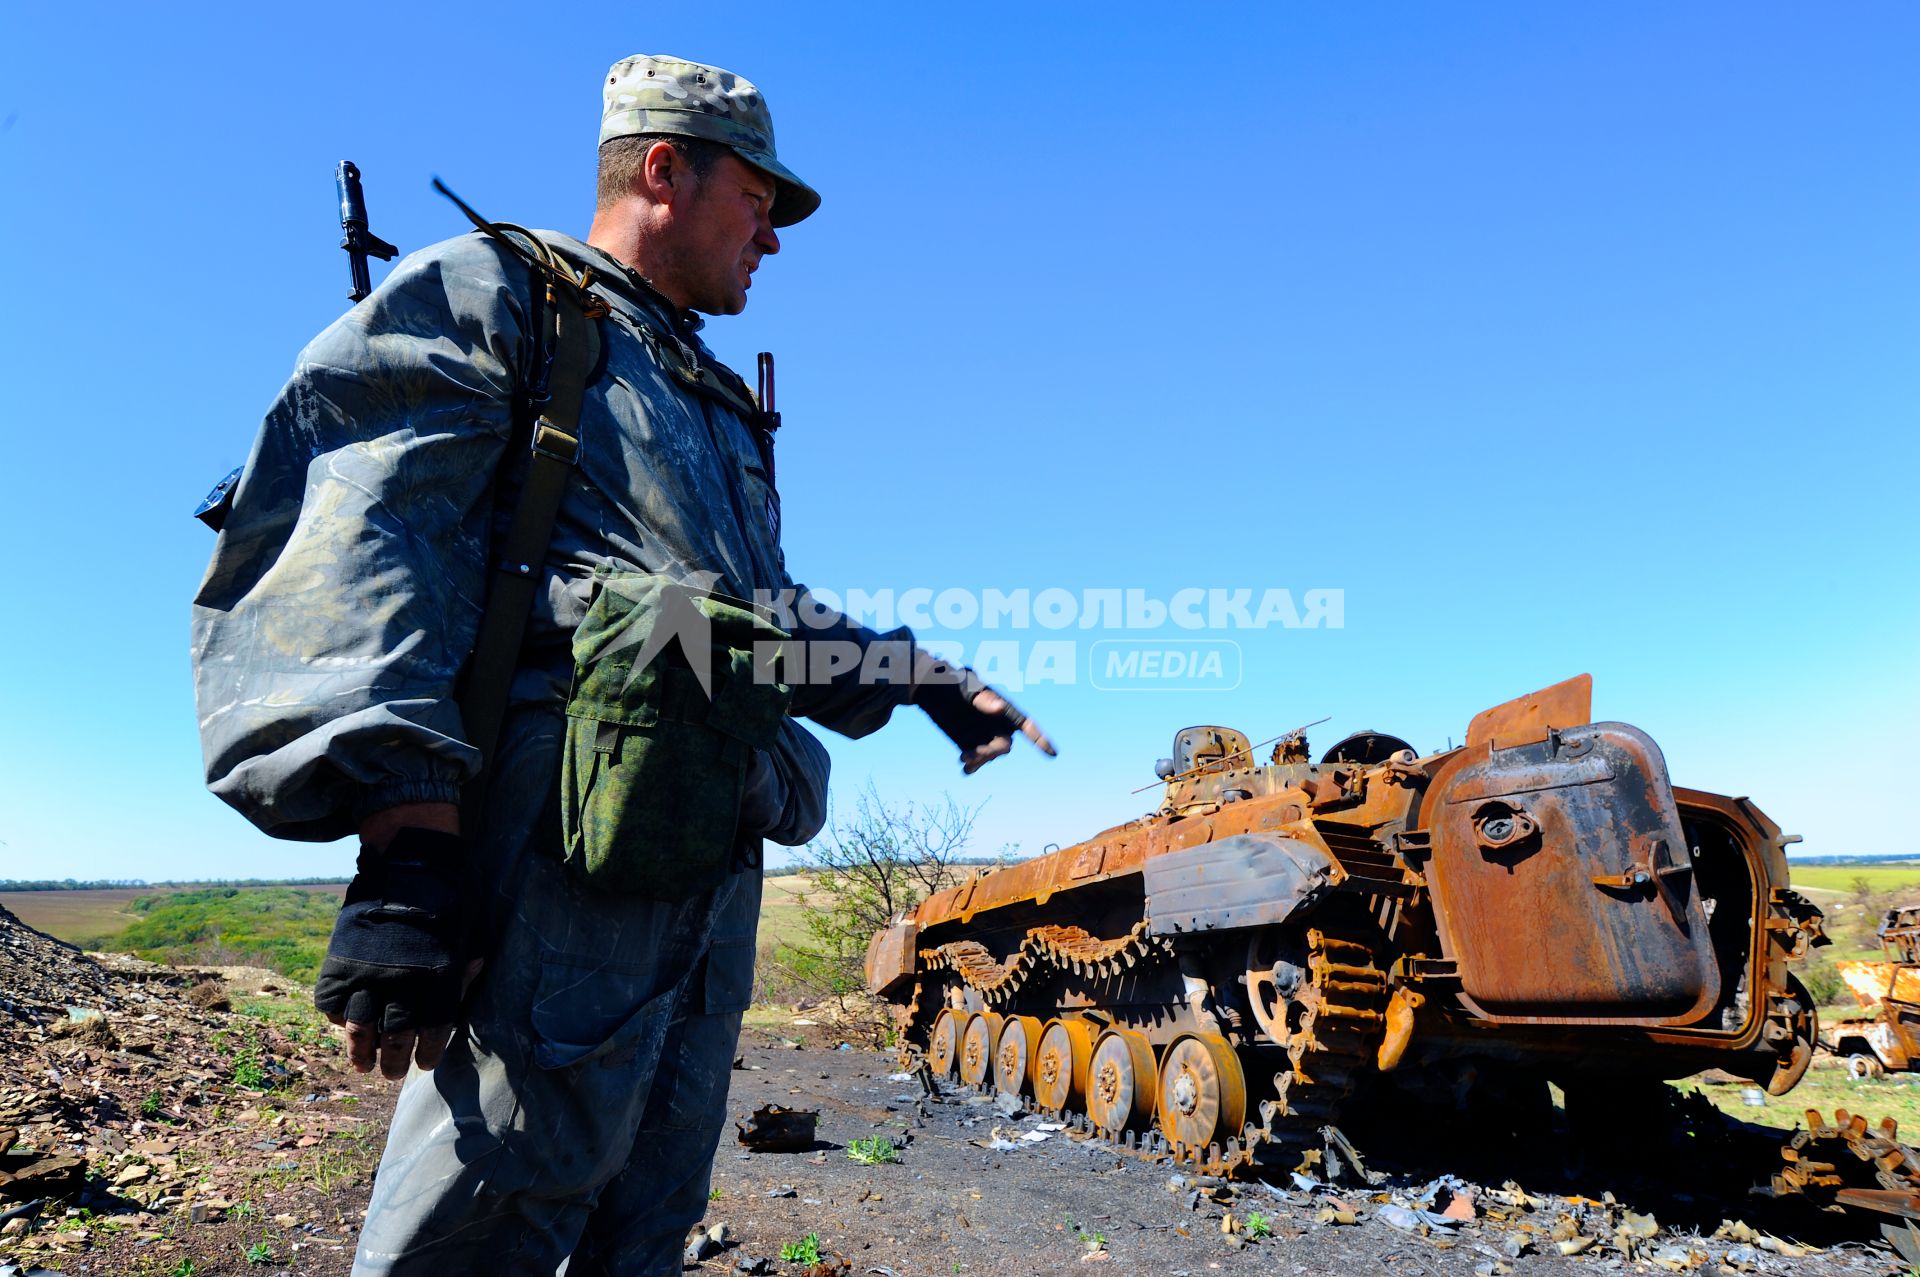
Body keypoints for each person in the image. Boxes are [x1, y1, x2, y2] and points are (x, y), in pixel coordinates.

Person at [191, 53, 1053, 1276]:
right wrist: (409, 845)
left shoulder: (700, 387)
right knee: (489, 1218)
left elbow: (743, 617)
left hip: (696, 856)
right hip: (553, 857)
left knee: (641, 1219)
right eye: (759, 199)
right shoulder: (506, 299)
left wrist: (920, 679)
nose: (774, 236)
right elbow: (365, 536)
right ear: (665, 169)